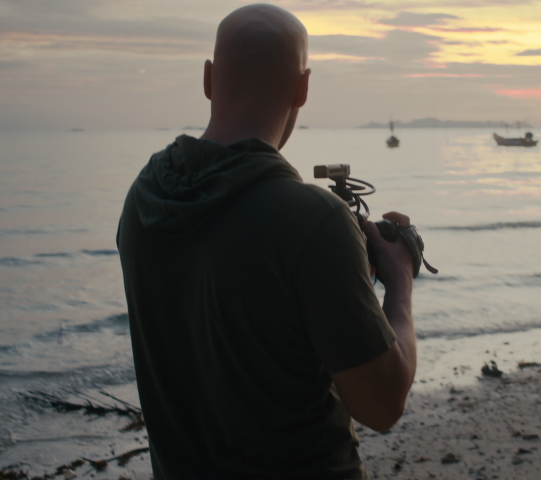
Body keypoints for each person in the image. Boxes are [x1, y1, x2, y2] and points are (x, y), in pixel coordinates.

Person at [116, 4, 416, 479]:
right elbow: (381, 406)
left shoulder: (145, 200)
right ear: (303, 88)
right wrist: (398, 281)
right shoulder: (313, 221)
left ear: (209, 79)